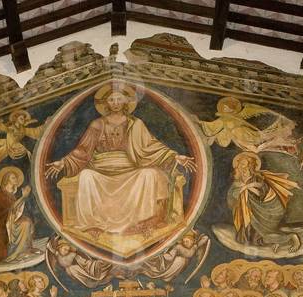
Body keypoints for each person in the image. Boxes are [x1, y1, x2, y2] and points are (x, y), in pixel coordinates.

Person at [44, 81, 195, 236]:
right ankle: (94, 225)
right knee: (86, 176)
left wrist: (175, 156)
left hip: (131, 169)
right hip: (101, 171)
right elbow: (83, 150)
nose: (115, 103)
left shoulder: (136, 124)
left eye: (119, 99)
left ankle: (142, 223)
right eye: (111, 99)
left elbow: (151, 146)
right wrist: (63, 162)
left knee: (149, 174)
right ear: (105, 103)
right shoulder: (97, 124)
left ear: (126, 102)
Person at [227, 152, 299, 253]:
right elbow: (232, 195)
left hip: (261, 212)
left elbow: (262, 193)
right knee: (246, 239)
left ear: (250, 165)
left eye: (243, 164)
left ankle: (292, 237)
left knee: (260, 236)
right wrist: (244, 188)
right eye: (239, 164)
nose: (240, 166)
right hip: (247, 213)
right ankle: (275, 242)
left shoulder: (257, 178)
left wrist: (249, 187)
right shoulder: (238, 181)